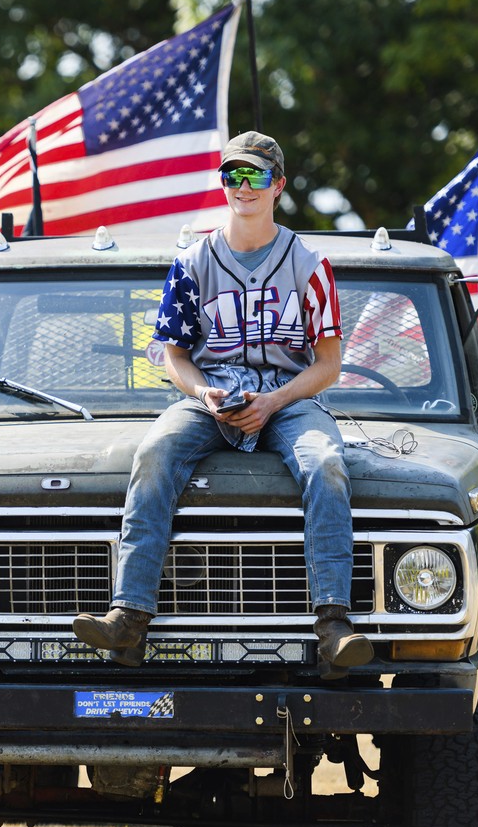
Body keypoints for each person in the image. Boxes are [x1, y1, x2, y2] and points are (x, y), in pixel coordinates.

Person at [73, 130, 370, 677]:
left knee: (326, 464)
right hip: (211, 396)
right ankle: (129, 616)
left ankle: (333, 625)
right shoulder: (192, 261)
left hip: (287, 396)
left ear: (278, 185)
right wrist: (201, 392)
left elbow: (327, 365)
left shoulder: (309, 265)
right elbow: (173, 355)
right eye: (232, 175)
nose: (243, 186)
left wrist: (275, 401)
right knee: (156, 451)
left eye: (255, 175)